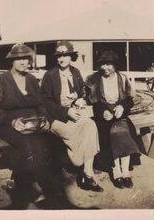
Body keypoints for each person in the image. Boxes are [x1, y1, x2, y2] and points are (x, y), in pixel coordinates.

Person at [0, 43, 58, 208]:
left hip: (31, 122)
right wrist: (11, 121)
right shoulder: (1, 80)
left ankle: (16, 182)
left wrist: (43, 119)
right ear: (12, 60)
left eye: (26, 59)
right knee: (26, 146)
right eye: (19, 59)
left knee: (44, 144)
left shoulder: (32, 79)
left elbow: (41, 104)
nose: (23, 62)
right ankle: (38, 187)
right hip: (8, 123)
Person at [41, 40, 103, 192]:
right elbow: (45, 103)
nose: (61, 59)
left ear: (71, 57)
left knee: (90, 125)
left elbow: (83, 91)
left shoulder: (75, 73)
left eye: (65, 55)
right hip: (56, 117)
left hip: (75, 113)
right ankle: (77, 163)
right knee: (73, 133)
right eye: (59, 56)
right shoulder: (50, 75)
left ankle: (87, 174)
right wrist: (66, 111)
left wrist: (82, 99)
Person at [86, 50, 140, 189]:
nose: (105, 68)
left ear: (115, 65)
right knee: (111, 134)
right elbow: (94, 102)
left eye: (108, 64)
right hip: (102, 117)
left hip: (119, 115)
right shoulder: (95, 79)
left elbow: (129, 100)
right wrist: (103, 111)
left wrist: (122, 106)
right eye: (102, 64)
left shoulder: (122, 78)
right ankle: (116, 172)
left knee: (123, 132)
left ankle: (126, 172)